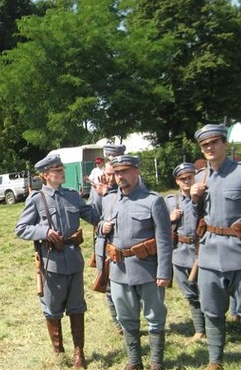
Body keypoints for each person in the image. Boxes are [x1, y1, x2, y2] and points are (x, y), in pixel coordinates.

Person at [190, 125, 241, 370]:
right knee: (212, 310)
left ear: (225, 144)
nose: (210, 148)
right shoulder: (200, 177)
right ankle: (215, 360)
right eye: (205, 145)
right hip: (209, 254)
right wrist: (194, 200)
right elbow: (198, 219)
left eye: (214, 142)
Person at [16, 153, 100, 368]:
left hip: (73, 259)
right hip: (51, 261)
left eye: (62, 169)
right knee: (52, 308)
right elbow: (21, 229)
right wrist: (43, 231)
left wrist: (100, 194)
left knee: (77, 306)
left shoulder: (72, 196)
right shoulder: (37, 199)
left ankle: (79, 353)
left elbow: (93, 216)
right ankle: (58, 349)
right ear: (46, 175)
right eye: (57, 170)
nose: (62, 172)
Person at [98, 155, 172, 370]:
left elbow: (164, 239)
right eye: (117, 172)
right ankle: (134, 361)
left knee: (155, 317)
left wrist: (164, 271)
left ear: (137, 171)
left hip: (148, 269)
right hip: (119, 269)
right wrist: (103, 226)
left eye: (125, 171)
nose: (120, 176)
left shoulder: (153, 200)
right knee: (126, 318)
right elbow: (102, 227)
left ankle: (156, 362)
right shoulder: (109, 200)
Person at [165, 163, 205, 343]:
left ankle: (213, 326)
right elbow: (157, 226)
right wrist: (170, 219)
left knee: (206, 291)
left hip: (201, 250)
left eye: (190, 177)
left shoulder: (204, 198)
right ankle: (200, 330)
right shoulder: (170, 201)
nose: (187, 181)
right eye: (183, 179)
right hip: (179, 252)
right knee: (190, 293)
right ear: (177, 181)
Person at [92, 161, 123, 335]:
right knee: (109, 287)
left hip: (124, 247)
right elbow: (94, 216)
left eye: (114, 174)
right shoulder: (99, 190)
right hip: (104, 245)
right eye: (108, 173)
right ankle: (118, 323)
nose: (111, 178)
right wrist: (100, 195)